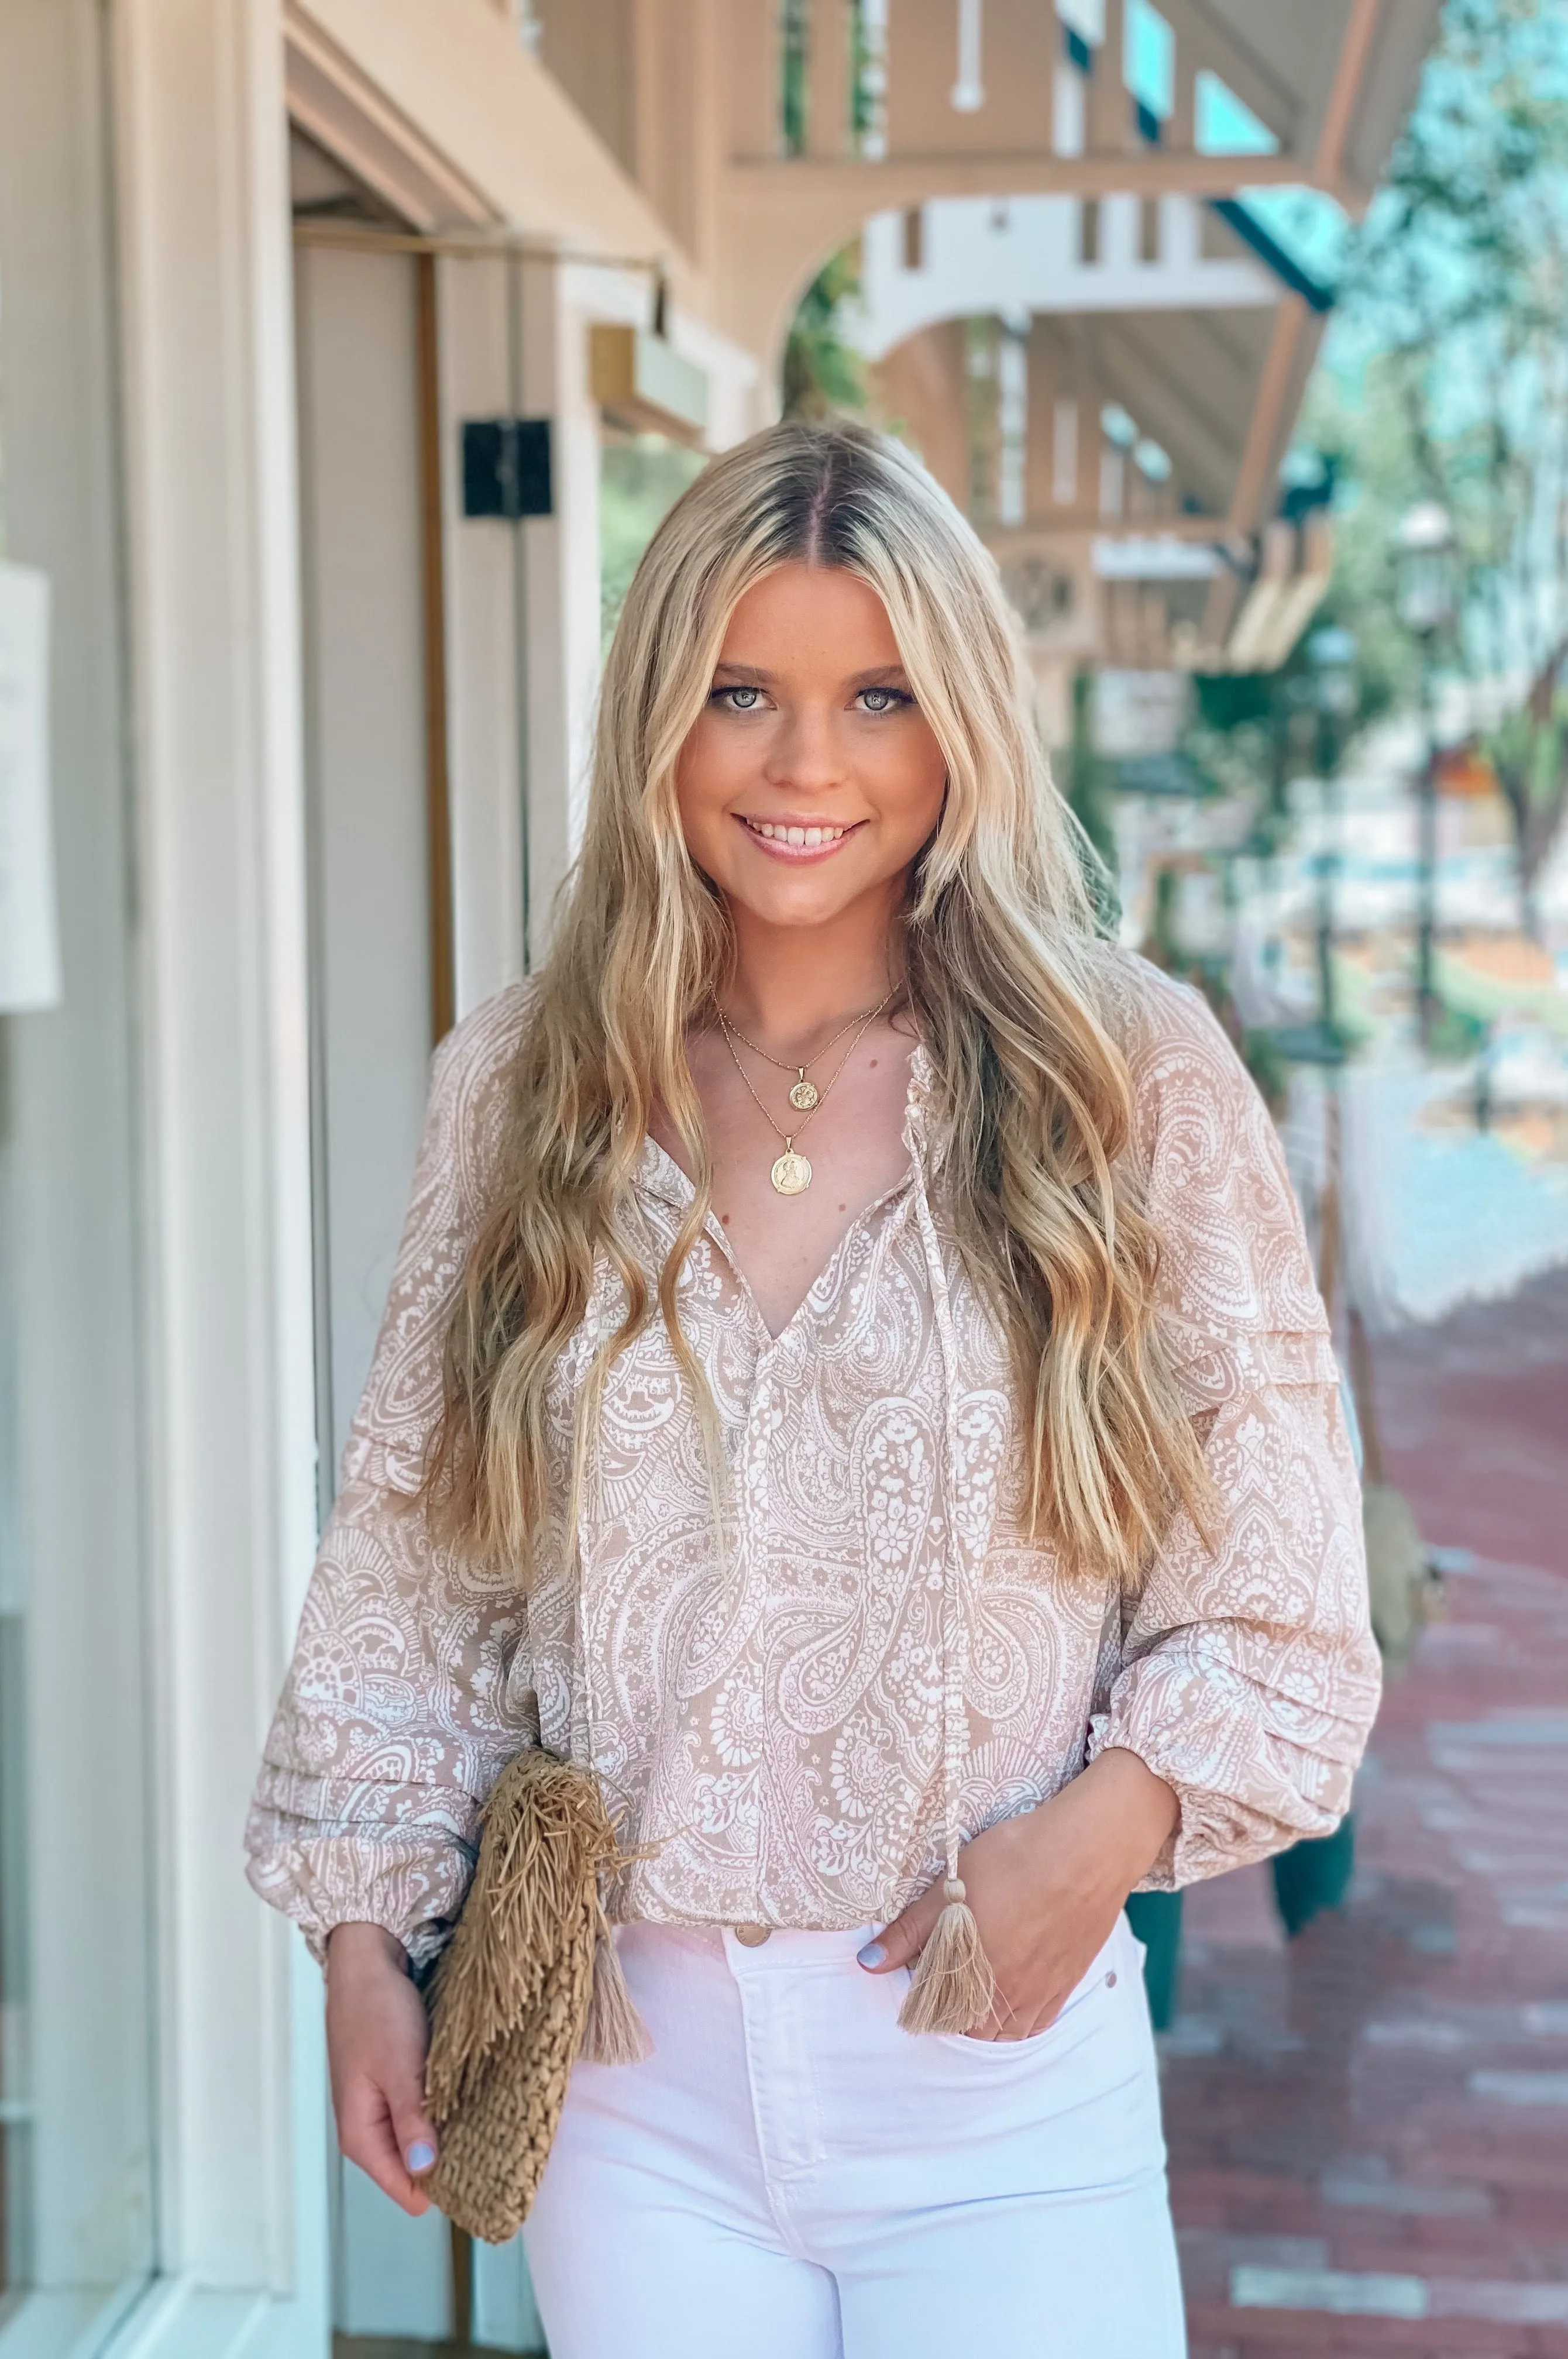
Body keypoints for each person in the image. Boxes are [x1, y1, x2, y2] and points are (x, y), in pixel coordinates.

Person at [246, 419, 1380, 2358]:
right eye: (740, 692)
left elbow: (1282, 1608)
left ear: (961, 728)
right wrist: (365, 1943)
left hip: (992, 2072)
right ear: (658, 714)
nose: (805, 765)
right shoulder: (520, 1086)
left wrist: (1092, 1843)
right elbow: (411, 1572)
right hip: (624, 2085)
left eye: (877, 696)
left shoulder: (1130, 1079)